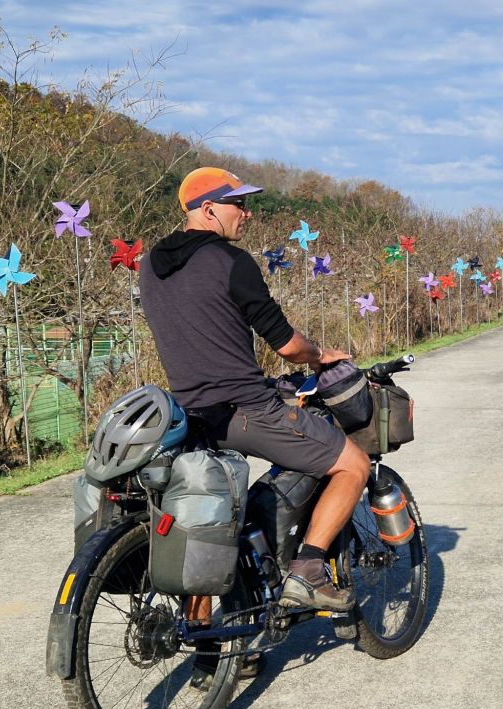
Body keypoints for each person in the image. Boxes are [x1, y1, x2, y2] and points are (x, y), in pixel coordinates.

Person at [140, 167, 370, 616]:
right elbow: (286, 345)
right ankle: (308, 572)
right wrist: (319, 353)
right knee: (352, 465)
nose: (247, 214)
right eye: (238, 204)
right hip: (246, 409)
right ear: (208, 210)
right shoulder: (230, 262)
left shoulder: (149, 265)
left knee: (211, 520)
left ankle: (212, 654)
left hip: (189, 414)